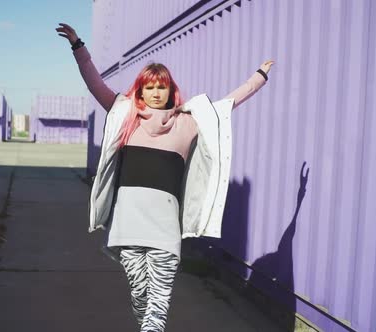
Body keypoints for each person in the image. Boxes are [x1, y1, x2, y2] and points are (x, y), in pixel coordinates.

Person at [56, 22, 274, 332]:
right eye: (150, 87)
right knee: (140, 295)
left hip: (165, 230)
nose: (156, 93)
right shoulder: (125, 114)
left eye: (162, 87)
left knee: (157, 306)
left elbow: (227, 104)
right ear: (141, 90)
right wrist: (78, 47)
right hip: (128, 227)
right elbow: (94, 83)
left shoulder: (187, 122)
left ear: (171, 90)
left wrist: (259, 77)